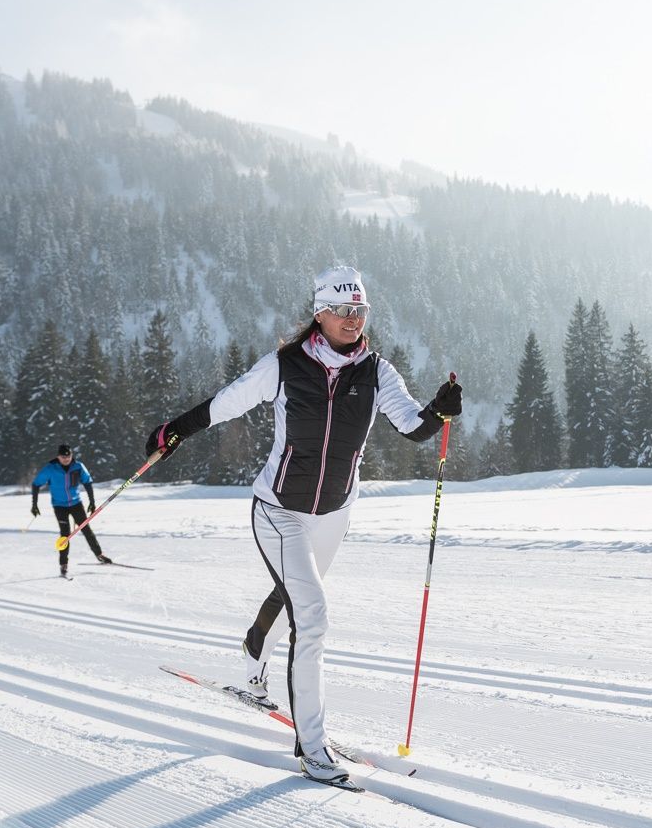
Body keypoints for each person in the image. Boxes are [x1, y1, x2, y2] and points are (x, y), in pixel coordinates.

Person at [147, 265, 461, 788]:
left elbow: (412, 427)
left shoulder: (378, 372)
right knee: (312, 616)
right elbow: (227, 403)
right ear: (320, 312)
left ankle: (253, 653)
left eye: (361, 311)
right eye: (343, 311)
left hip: (334, 512)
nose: (353, 320)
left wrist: (439, 411)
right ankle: (311, 747)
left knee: (296, 593)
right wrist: (172, 431)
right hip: (278, 508)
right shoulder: (284, 366)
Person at [31, 443, 111, 577]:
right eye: (63, 457)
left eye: (68, 456)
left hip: (76, 504)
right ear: (58, 457)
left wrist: (92, 502)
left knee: (86, 529)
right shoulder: (50, 469)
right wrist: (34, 504)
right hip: (59, 506)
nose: (66, 459)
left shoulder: (78, 466)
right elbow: (36, 484)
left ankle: (99, 554)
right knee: (65, 535)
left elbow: (87, 482)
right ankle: (63, 564)